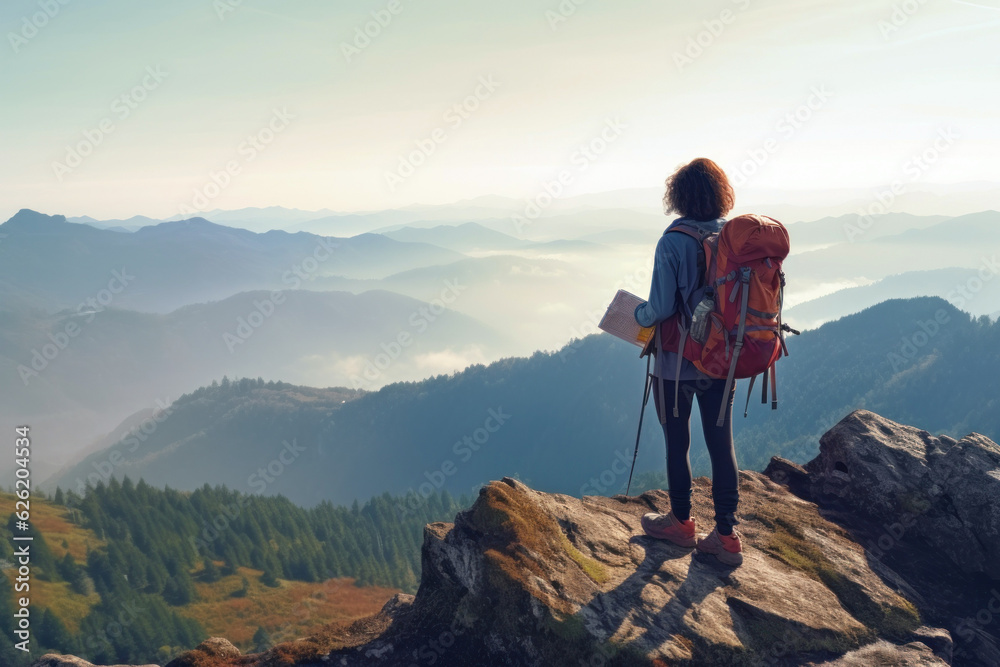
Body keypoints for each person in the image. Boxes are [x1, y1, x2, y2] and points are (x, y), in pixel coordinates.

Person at [633, 157, 743, 567]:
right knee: (721, 445)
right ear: (720, 194)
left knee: (677, 443)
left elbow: (659, 308)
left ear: (678, 195)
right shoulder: (733, 237)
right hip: (722, 360)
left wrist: (635, 315)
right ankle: (727, 536)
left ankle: (681, 523)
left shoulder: (673, 240)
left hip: (677, 363)